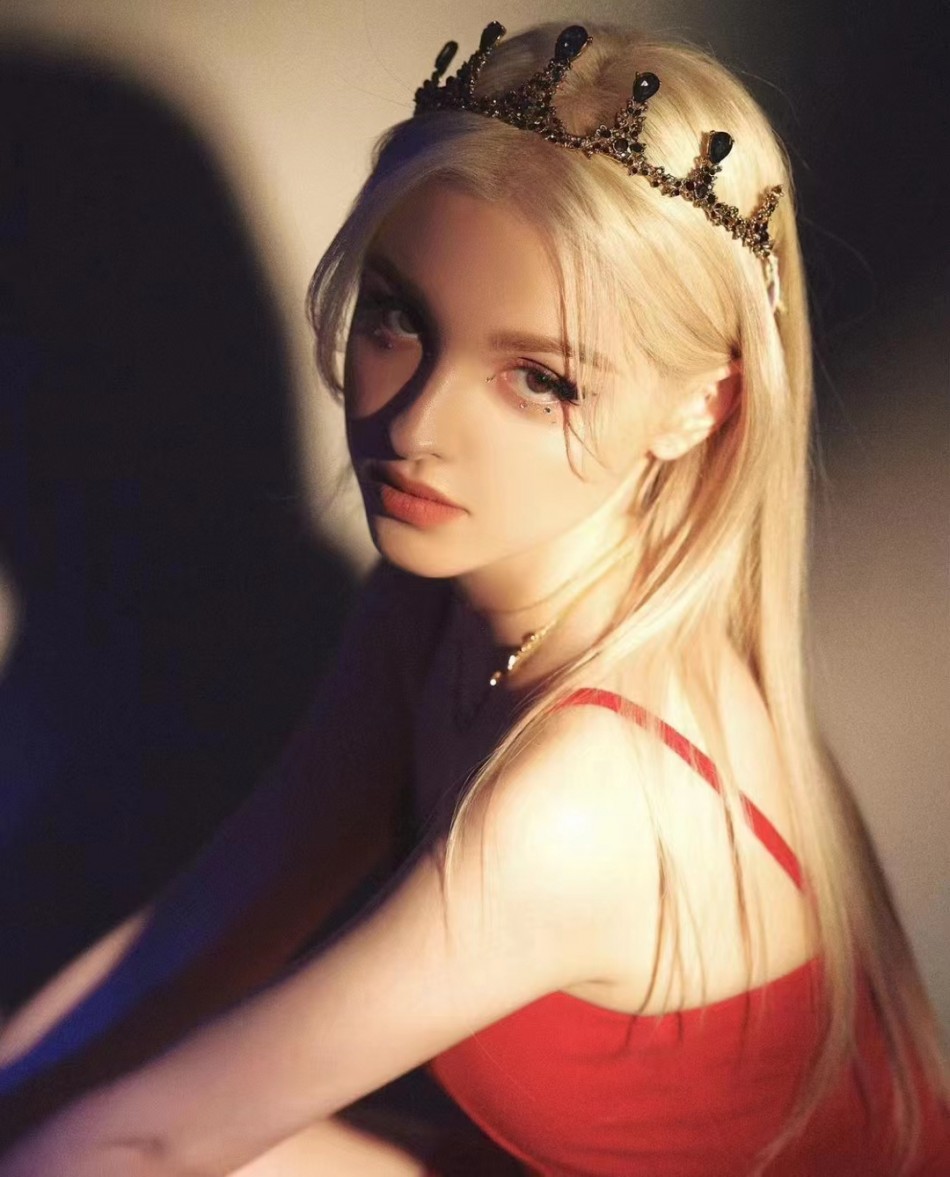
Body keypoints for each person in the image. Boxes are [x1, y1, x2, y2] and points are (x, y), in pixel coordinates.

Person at [0, 18, 947, 1177]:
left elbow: (155, 1138)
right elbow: (204, 933)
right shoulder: (437, 600)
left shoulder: (582, 799)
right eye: (397, 316)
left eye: (539, 378)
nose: (414, 429)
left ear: (695, 408)